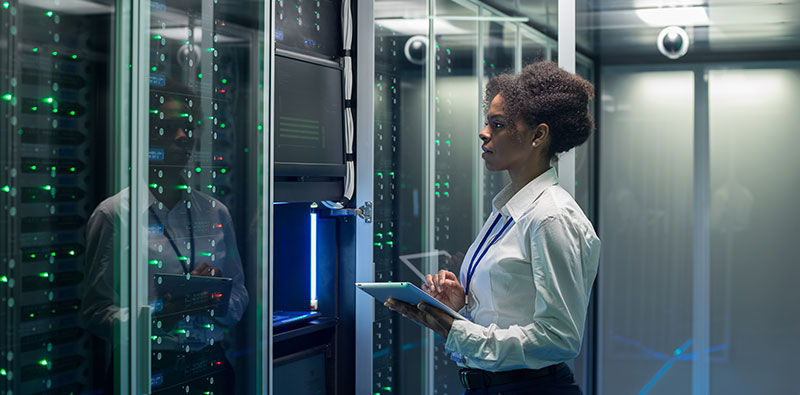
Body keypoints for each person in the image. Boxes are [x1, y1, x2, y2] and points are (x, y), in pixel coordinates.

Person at [385, 61, 601, 394]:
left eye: (497, 124)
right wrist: (460, 306)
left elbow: (559, 339)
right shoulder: (508, 210)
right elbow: (507, 313)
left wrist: (455, 330)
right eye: (487, 122)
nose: (484, 133)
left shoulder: (551, 217)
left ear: (538, 135)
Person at [81, 86, 248, 393]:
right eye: (170, 127)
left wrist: (217, 298)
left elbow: (240, 294)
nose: (184, 136)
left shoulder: (215, 212)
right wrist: (159, 314)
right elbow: (94, 313)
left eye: (189, 126)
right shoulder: (115, 214)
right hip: (145, 368)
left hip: (210, 365)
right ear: (144, 136)